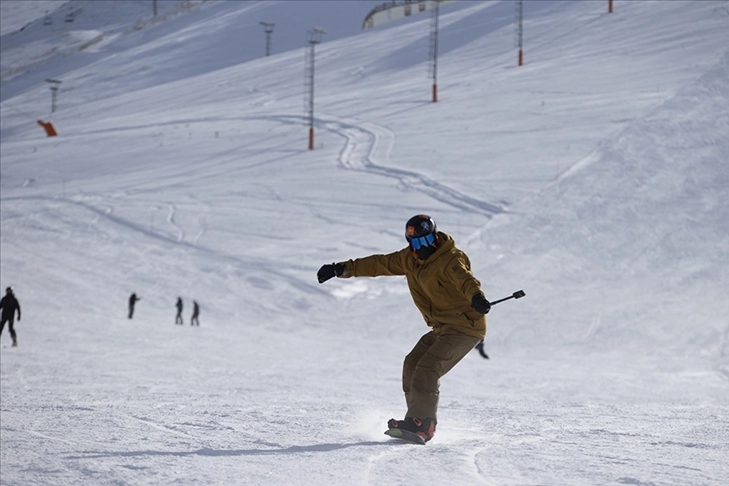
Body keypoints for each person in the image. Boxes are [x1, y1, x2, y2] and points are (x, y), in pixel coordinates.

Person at [317, 214, 491, 443]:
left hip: (465, 326)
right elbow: (379, 263)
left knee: (428, 368)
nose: (421, 247)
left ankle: (425, 424)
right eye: (415, 243)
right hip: (443, 327)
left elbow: (467, 281)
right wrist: (341, 269)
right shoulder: (410, 258)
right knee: (412, 364)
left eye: (425, 241)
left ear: (435, 238)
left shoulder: (450, 259)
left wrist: (477, 297)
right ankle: (415, 420)